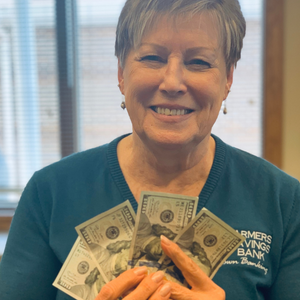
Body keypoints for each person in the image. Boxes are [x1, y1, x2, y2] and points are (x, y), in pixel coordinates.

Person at [0, 0, 299, 299]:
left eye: (199, 62)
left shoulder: (283, 202)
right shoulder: (49, 194)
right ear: (121, 73)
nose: (172, 82)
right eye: (152, 58)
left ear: (228, 79)